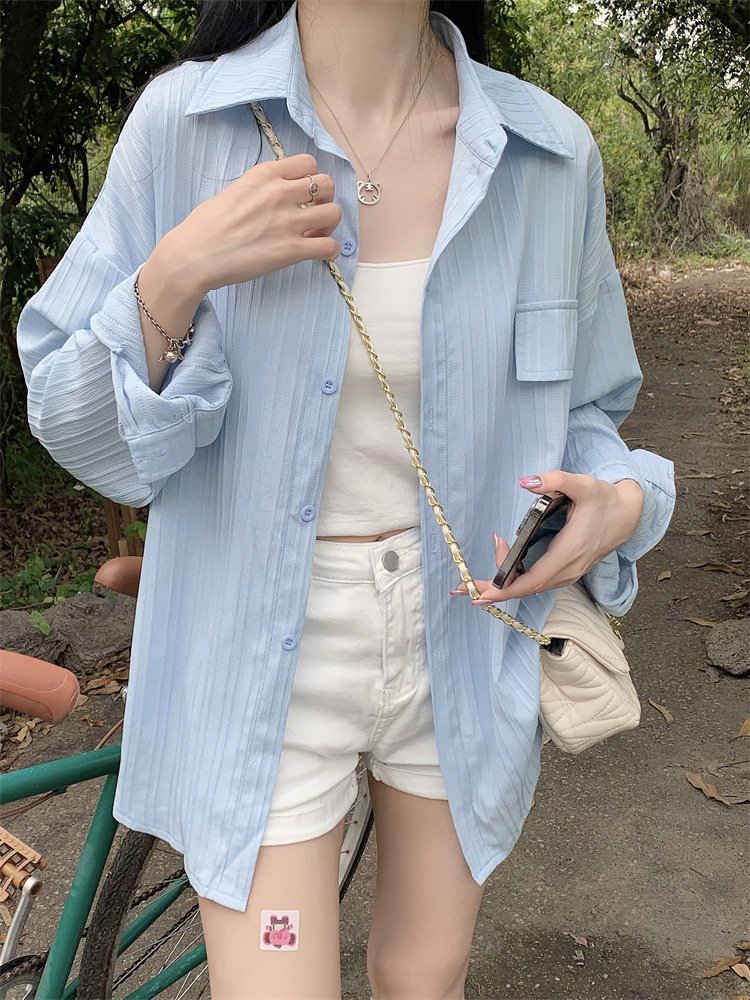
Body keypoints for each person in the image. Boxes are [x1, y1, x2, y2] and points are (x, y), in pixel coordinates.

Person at [16, 0, 676, 996]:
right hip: (261, 650)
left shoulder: (546, 153)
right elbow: (74, 422)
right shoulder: (185, 125)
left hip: (464, 633)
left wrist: (621, 502)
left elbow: (588, 405)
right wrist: (174, 277)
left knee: (427, 976)